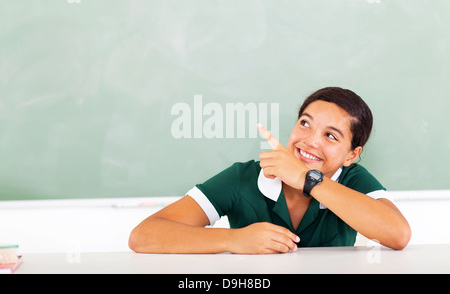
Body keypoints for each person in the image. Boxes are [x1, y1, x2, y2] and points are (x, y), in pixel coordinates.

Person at [129, 87, 411, 254]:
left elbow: (397, 235)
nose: (310, 140)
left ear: (352, 154)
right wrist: (235, 239)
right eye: (305, 124)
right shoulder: (245, 177)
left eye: (331, 136)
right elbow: (144, 235)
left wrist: (306, 179)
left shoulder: (352, 180)